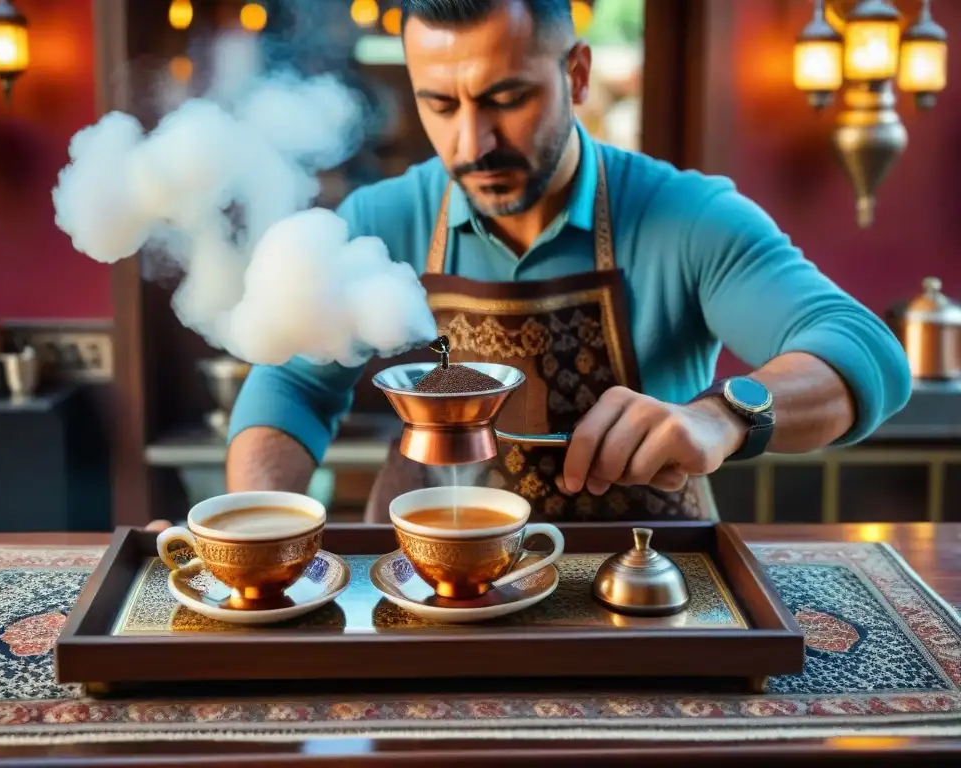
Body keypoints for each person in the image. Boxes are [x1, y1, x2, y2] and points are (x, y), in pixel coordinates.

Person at [224, 0, 911, 523]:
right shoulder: (380, 220)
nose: (473, 142)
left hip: (641, 593)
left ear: (576, 74)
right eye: (440, 103)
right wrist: (250, 530)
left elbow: (866, 352)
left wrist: (723, 417)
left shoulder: (689, 216)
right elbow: (293, 388)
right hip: (425, 583)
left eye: (507, 98)